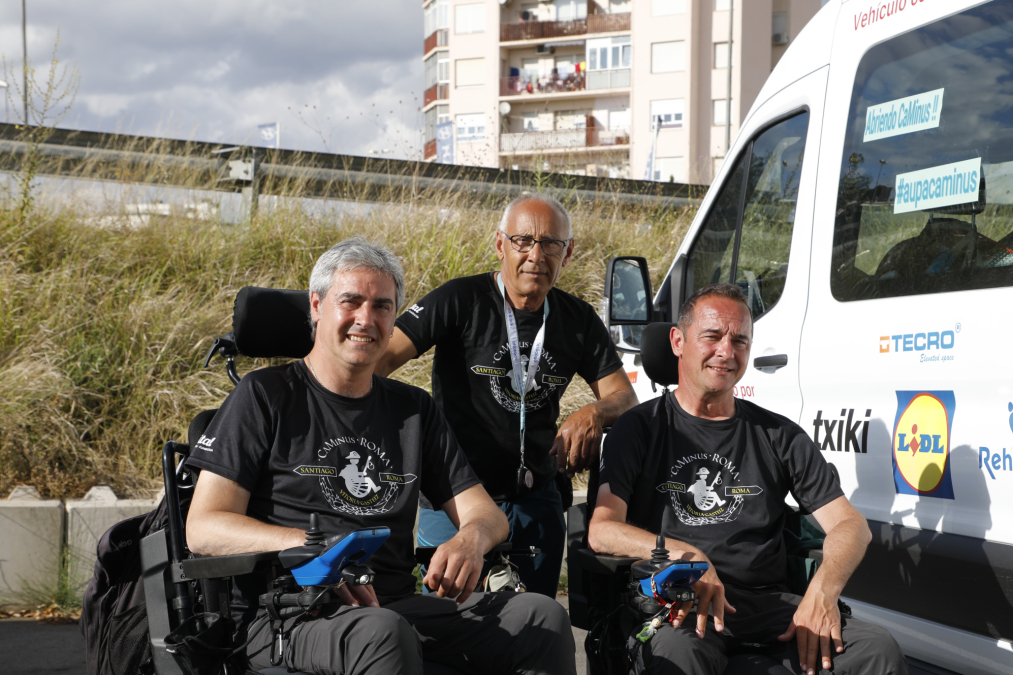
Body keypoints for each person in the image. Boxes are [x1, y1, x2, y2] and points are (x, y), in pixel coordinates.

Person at [185, 237, 574, 675]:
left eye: (382, 306)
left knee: (543, 618)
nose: (365, 320)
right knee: (384, 632)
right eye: (350, 301)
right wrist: (311, 547)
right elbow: (203, 527)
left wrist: (470, 539)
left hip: (394, 605)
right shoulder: (263, 396)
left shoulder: (412, 409)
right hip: (291, 614)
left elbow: (486, 514)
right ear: (316, 306)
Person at [589, 284, 906, 675]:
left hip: (770, 606)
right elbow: (602, 531)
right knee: (675, 657)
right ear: (678, 341)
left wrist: (823, 592)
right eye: (712, 336)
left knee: (877, 650)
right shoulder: (639, 428)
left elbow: (851, 525)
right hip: (684, 604)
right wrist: (689, 557)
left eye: (740, 340)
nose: (726, 351)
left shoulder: (778, 434)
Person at [375, 194, 637, 597]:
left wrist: (595, 412)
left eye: (551, 243)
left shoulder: (577, 319)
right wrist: (404, 432)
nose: (536, 254)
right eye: (523, 240)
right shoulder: (459, 300)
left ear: (567, 254)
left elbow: (625, 396)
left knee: (535, 629)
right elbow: (379, 361)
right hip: (456, 499)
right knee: (445, 626)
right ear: (501, 245)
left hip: (535, 498)